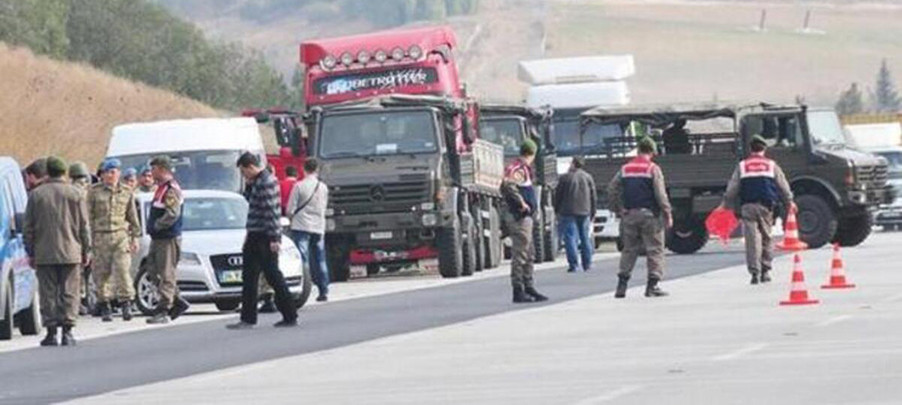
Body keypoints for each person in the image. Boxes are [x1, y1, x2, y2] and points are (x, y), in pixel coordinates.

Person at [23, 156, 91, 346]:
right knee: (70, 291)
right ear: (64, 172)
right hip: (71, 251)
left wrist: (30, 252)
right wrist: (87, 250)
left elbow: (28, 228)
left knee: (48, 293)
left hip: (44, 253)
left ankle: (51, 332)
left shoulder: (36, 195)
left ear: (47, 172)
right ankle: (68, 332)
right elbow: (84, 226)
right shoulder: (75, 193)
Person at [228, 152, 298, 329]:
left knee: (273, 275)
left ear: (250, 167)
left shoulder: (266, 182)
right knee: (250, 277)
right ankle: (248, 318)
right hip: (255, 233)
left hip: (265, 236)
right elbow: (251, 202)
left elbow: (271, 212)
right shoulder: (258, 182)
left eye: (244, 172)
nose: (244, 176)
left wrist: (274, 237)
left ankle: (289, 314)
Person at [720, 134, 795, 284]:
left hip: (747, 207)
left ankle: (754, 273)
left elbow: (732, 189)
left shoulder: (742, 166)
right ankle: (765, 271)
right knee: (767, 238)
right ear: (764, 149)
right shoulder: (771, 165)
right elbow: (783, 185)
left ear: (750, 149)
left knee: (752, 240)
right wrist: (790, 202)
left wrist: (725, 203)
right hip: (766, 207)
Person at [607, 137, 673, 299]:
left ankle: (621, 286)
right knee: (655, 249)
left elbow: (611, 189)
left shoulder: (625, 168)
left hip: (629, 215)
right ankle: (652, 286)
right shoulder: (652, 169)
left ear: (638, 150)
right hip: (650, 216)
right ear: (652, 151)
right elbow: (660, 194)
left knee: (629, 250)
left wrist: (619, 209)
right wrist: (667, 213)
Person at [88, 159, 141, 322]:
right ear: (102, 174)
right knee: (101, 273)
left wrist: (135, 237)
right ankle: (105, 305)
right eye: (108, 172)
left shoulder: (126, 191)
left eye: (115, 172)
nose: (111, 175)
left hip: (120, 236)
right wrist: (88, 241)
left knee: (123, 270)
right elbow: (88, 217)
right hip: (100, 236)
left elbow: (132, 216)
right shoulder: (93, 192)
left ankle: (126, 303)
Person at [145, 156, 191, 324]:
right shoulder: (161, 189)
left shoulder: (171, 189)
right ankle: (177, 300)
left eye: (154, 168)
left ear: (163, 169)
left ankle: (164, 308)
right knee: (152, 269)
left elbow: (172, 213)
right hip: (158, 238)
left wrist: (157, 225)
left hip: (167, 238)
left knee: (166, 273)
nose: (151, 172)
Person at [501, 140, 548, 304]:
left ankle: (529, 286)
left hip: (526, 218)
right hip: (519, 217)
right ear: (532, 154)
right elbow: (508, 186)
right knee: (520, 254)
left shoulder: (524, 169)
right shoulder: (517, 169)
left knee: (529, 253)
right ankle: (518, 289)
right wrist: (521, 203)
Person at [287, 158, 330, 302]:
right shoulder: (323, 187)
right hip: (318, 226)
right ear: (317, 169)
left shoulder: (299, 186)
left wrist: (291, 218)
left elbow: (290, 209)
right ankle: (324, 290)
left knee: (303, 259)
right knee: (320, 258)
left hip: (301, 226)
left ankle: (305, 287)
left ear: (303, 169)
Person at [554, 156, 597, 272]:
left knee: (570, 238)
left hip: (568, 211)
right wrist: (593, 212)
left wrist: (556, 210)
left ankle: (573, 265)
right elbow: (593, 197)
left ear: (573, 164)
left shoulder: (565, 178)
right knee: (585, 238)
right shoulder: (588, 177)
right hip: (584, 211)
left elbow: (558, 196)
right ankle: (587, 264)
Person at [67, 161, 95, 316]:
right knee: (84, 271)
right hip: (85, 235)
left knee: (77, 272)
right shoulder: (88, 193)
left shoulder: (68, 192)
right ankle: (82, 301)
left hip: (72, 236)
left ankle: (79, 301)